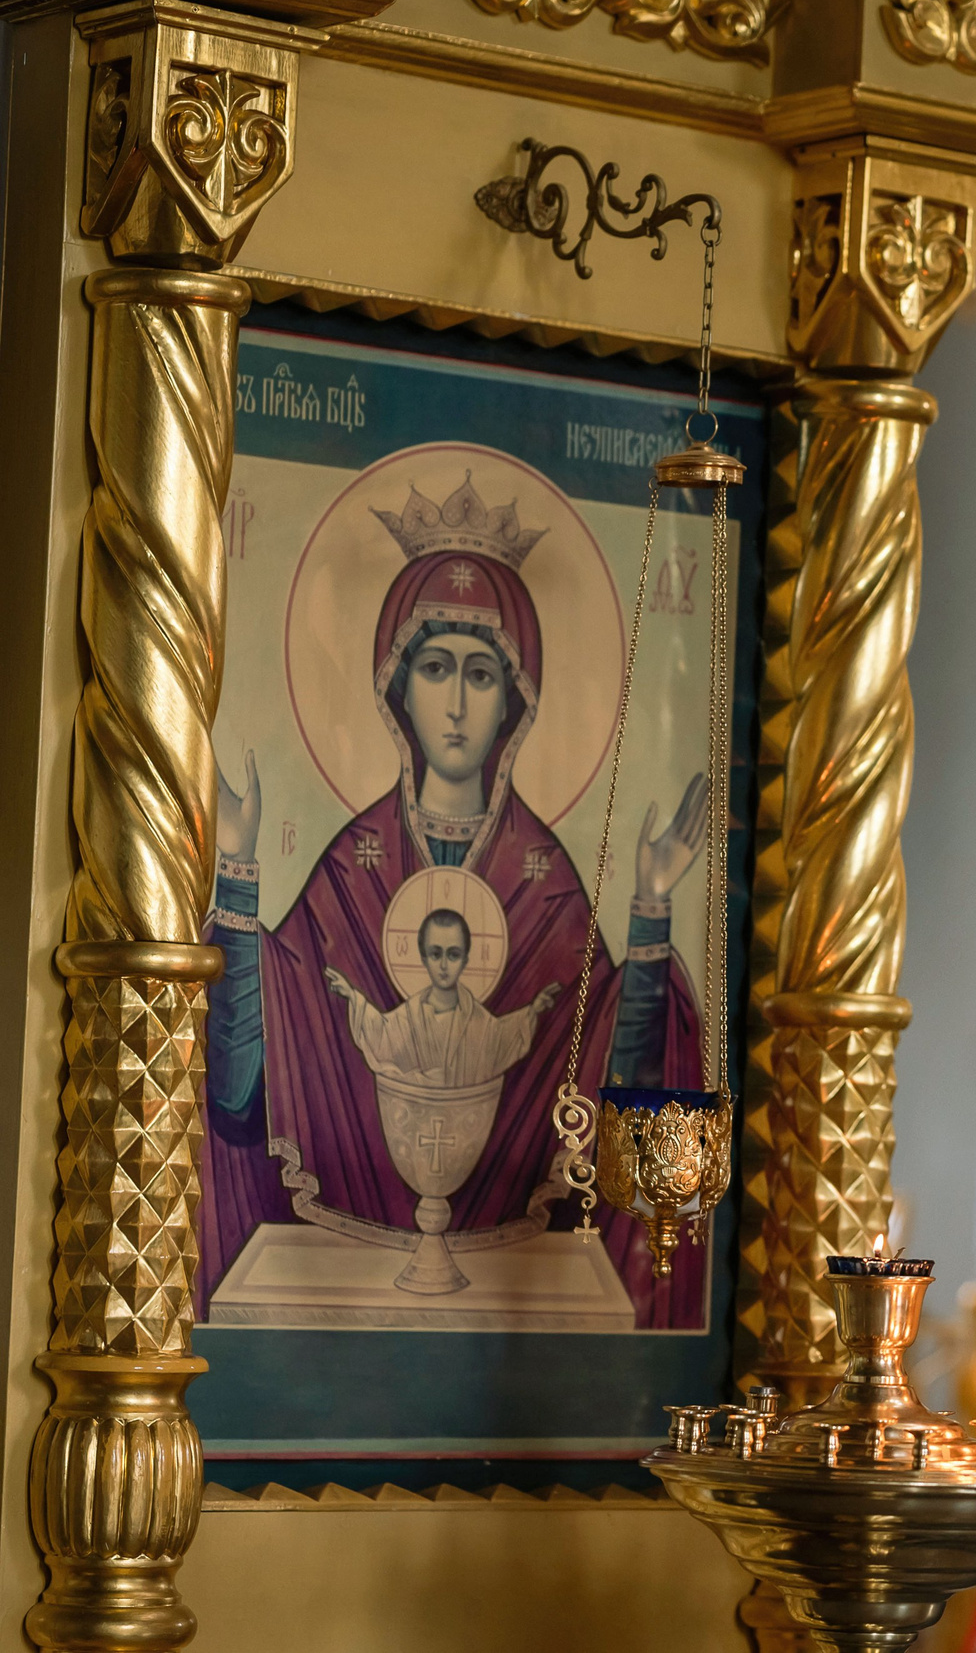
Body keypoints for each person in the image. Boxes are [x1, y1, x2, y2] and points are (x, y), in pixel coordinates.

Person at [199, 477, 711, 1323]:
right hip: (346, 1263)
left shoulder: (545, 876)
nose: (460, 701)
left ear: (518, 696)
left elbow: (613, 1085)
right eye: (436, 667)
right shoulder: (352, 865)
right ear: (396, 685)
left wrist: (652, 910)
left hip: (517, 1279)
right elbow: (242, 1088)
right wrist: (240, 866)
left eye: (483, 673)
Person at [327, 909, 560, 1093]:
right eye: (436, 954)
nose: (444, 966)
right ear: (424, 957)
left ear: (466, 959)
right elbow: (382, 1034)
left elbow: (501, 1039)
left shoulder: (479, 1022)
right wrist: (353, 997)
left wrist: (533, 1011)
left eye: (453, 954)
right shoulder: (408, 1017)